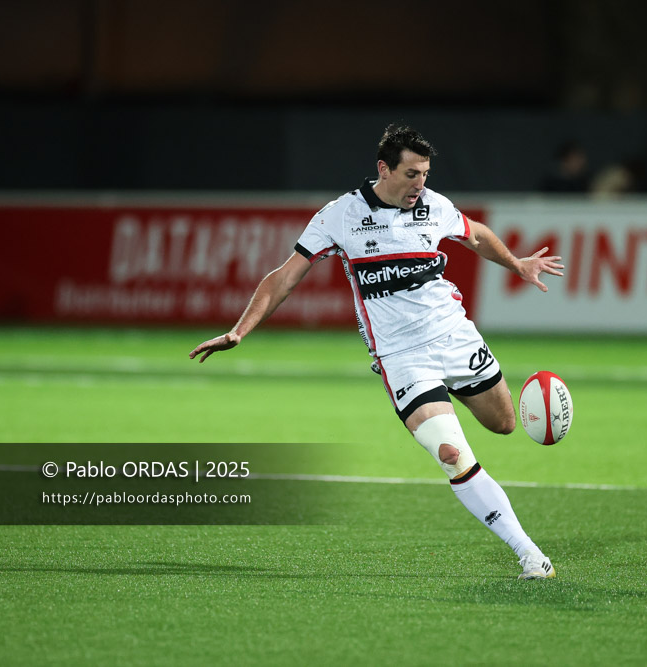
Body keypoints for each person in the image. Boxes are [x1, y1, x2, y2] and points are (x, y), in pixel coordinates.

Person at [190, 124, 564, 579]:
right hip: (401, 356)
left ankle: (495, 406)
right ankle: (529, 554)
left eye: (425, 174)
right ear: (383, 169)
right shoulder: (340, 215)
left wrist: (518, 263)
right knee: (451, 454)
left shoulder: (434, 206)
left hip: (454, 335)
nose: (419, 184)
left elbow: (476, 234)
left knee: (504, 423)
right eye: (411, 174)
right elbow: (286, 276)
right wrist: (240, 331)